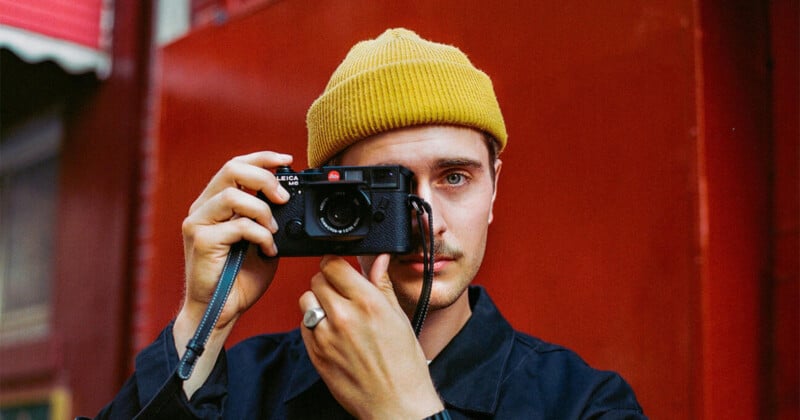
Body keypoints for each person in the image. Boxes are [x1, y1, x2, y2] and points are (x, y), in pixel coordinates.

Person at [90, 28, 646, 419]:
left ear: (494, 188)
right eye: (390, 187)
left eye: (455, 178)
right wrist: (200, 321)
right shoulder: (242, 389)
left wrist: (408, 412)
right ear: (328, 199)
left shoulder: (581, 403)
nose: (426, 223)